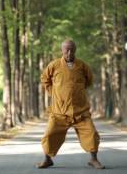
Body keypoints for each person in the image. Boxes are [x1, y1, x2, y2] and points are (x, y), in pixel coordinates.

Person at [36, 39, 105, 169]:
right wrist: (55, 93)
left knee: (92, 133)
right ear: (62, 50)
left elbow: (89, 80)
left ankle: (94, 159)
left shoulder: (82, 66)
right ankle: (47, 159)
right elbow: (45, 80)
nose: (69, 52)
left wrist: (78, 91)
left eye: (71, 49)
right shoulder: (54, 65)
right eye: (66, 50)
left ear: (75, 50)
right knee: (50, 134)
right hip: (59, 112)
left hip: (81, 111)